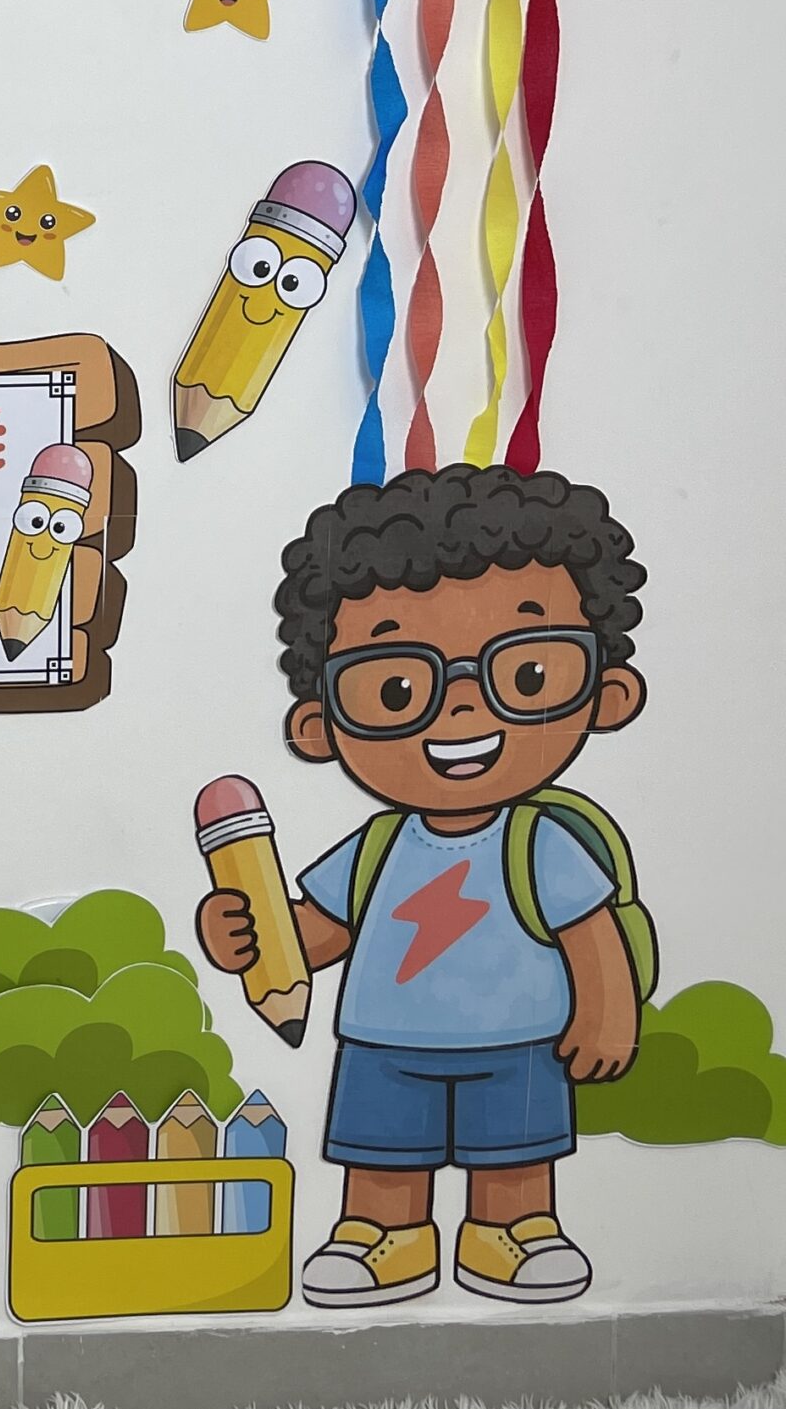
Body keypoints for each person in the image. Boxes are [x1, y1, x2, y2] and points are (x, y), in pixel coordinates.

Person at [198, 465, 648, 1308]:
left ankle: (515, 1232)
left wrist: (607, 1012)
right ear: (319, 726)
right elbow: (317, 933)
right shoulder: (376, 847)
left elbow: (591, 934)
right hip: (383, 1042)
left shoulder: (538, 842)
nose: (463, 711)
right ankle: (380, 1238)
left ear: (607, 694)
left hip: (520, 1039)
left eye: (527, 675)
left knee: (515, 1158)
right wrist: (247, 933)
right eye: (397, 688)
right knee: (381, 1159)